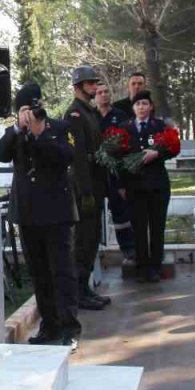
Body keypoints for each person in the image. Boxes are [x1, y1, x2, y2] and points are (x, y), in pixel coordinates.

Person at [0, 82, 82, 349]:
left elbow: (67, 156)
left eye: (32, 107)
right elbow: (0, 154)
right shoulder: (15, 133)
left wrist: (41, 134)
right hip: (29, 213)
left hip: (57, 212)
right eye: (23, 109)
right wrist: (18, 128)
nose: (29, 113)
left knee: (62, 273)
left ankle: (69, 328)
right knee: (40, 273)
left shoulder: (60, 128)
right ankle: (49, 326)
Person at [117, 91, 177, 282]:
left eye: (145, 103)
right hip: (135, 187)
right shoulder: (124, 128)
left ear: (151, 106)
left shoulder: (160, 126)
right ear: (133, 108)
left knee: (157, 228)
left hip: (158, 185)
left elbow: (172, 149)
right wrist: (121, 185)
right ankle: (142, 268)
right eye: (138, 104)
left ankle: (156, 267)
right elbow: (118, 158)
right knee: (139, 228)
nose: (141, 107)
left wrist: (157, 154)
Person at [66, 66, 111, 309]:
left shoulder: (90, 112)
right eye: (90, 83)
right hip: (84, 186)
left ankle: (86, 288)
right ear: (78, 87)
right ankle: (79, 293)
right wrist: (84, 192)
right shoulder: (74, 114)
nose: (95, 86)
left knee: (92, 239)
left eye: (95, 82)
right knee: (83, 241)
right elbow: (78, 157)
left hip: (96, 182)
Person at [96, 81, 136, 254]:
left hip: (117, 172)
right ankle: (95, 252)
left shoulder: (120, 115)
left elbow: (128, 143)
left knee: (121, 212)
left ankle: (128, 250)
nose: (104, 95)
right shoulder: (90, 116)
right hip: (96, 172)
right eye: (100, 92)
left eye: (106, 91)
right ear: (95, 96)